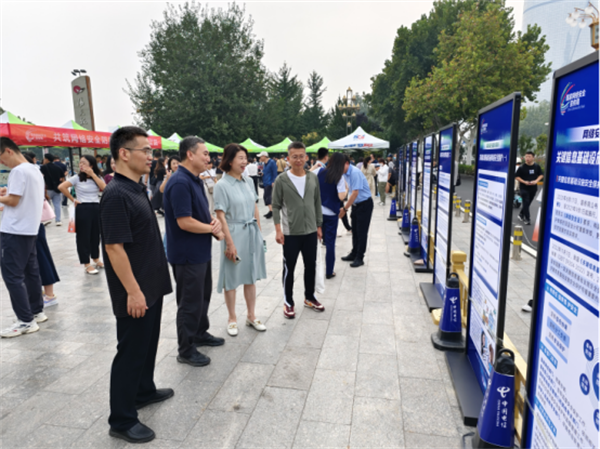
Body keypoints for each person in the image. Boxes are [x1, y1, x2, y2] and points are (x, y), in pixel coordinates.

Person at [100, 126, 174, 444]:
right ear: (124, 153)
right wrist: (132, 291)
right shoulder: (116, 194)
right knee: (130, 352)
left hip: (150, 285)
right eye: (145, 150)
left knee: (147, 344)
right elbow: (114, 248)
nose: (150, 156)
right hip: (135, 291)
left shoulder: (136, 188)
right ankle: (122, 419)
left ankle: (143, 390)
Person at [163, 136, 225, 367]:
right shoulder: (180, 182)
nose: (209, 158)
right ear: (190, 154)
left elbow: (200, 213)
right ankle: (186, 349)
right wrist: (211, 228)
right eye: (205, 154)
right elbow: (184, 222)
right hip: (187, 253)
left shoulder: (195, 180)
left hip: (200, 251)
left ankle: (199, 332)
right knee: (190, 301)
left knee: (202, 296)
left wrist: (212, 222)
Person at [214, 144, 267, 336]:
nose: (245, 162)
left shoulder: (248, 181)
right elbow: (221, 216)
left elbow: (254, 207)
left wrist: (259, 233)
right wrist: (229, 243)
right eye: (241, 158)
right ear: (229, 161)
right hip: (233, 232)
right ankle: (232, 318)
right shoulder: (222, 185)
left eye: (246, 158)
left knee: (251, 275)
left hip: (251, 231)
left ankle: (251, 315)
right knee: (231, 277)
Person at [0, 137, 46, 337]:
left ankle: (25, 321)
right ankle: (36, 311)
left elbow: (13, 201)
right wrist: (6, 193)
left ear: (8, 151)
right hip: (29, 229)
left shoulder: (18, 171)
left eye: (1, 158)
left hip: (14, 230)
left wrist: (4, 196)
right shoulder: (34, 169)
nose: (2, 163)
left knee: (12, 276)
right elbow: (20, 197)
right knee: (30, 272)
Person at [272, 141, 324, 319]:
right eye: (294, 156)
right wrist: (278, 230)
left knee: (311, 265)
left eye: (301, 156)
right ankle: (288, 301)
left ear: (307, 157)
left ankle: (309, 297)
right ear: (288, 159)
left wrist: (319, 225)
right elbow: (276, 206)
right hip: (290, 232)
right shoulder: (282, 180)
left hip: (310, 231)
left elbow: (317, 202)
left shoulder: (312, 178)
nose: (298, 160)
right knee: (289, 268)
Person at [58, 155, 106, 274]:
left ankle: (96, 258)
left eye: (84, 163)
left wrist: (93, 175)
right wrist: (73, 199)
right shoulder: (77, 178)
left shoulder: (97, 177)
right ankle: (86, 263)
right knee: (83, 237)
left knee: (96, 235)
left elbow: (105, 188)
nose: (81, 165)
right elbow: (62, 187)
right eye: (80, 163)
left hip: (96, 207)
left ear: (91, 165)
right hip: (83, 208)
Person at [317, 153, 348, 279]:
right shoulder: (339, 177)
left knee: (315, 242)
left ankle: (313, 270)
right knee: (330, 243)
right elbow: (341, 197)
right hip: (331, 213)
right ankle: (329, 271)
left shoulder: (320, 172)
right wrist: (346, 189)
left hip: (318, 211)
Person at [341, 155, 373, 268]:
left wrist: (345, 209)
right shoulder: (345, 173)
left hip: (364, 205)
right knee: (355, 230)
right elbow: (348, 189)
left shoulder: (354, 172)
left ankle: (360, 257)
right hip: (356, 205)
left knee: (361, 232)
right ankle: (354, 253)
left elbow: (355, 193)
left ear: (346, 163)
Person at [515, 151, 543, 226]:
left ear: (533, 157)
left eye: (529, 157)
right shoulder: (521, 167)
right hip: (524, 188)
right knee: (526, 202)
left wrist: (536, 181)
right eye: (526, 156)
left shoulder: (536, 166)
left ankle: (521, 214)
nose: (527, 158)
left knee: (527, 203)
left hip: (533, 188)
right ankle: (527, 219)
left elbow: (541, 175)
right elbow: (517, 176)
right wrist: (524, 182)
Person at [40, 153, 66, 225]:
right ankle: (58, 220)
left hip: (47, 189)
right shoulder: (58, 168)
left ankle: (48, 219)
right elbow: (63, 178)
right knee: (57, 205)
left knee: (47, 204)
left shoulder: (43, 168)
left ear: (47, 159)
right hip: (57, 189)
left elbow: (40, 178)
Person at [259, 151, 277, 219]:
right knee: (266, 197)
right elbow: (266, 171)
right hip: (265, 182)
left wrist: (273, 181)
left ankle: (271, 211)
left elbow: (274, 172)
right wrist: (262, 173)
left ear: (264, 156)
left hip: (270, 183)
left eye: (260, 156)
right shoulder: (265, 163)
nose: (260, 158)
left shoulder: (272, 162)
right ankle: (271, 210)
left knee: (268, 197)